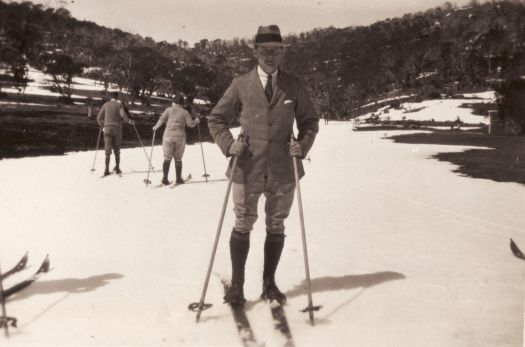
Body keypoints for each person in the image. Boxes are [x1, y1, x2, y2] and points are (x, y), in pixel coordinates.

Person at [208, 25, 319, 306]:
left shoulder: (293, 84)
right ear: (255, 52)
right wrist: (228, 144)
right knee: (243, 222)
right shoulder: (240, 83)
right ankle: (237, 286)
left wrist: (302, 146)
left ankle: (269, 284)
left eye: (276, 51)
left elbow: (309, 122)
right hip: (247, 166)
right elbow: (216, 119)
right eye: (265, 51)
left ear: (282, 53)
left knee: (276, 225)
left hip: (284, 168)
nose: (271, 56)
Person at [153, 94, 200, 185]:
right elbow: (190, 124)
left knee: (167, 157)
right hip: (180, 137)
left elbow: (161, 120)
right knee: (178, 158)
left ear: (174, 102)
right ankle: (178, 179)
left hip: (168, 136)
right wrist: (196, 121)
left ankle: (165, 179)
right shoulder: (185, 112)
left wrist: (155, 127)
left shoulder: (168, 110)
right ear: (182, 103)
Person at [97, 91, 134, 176]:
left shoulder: (105, 105)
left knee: (107, 150)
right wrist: (130, 121)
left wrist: (102, 123)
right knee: (117, 150)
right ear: (117, 98)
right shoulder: (119, 105)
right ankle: (117, 169)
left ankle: (106, 170)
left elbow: (99, 117)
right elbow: (123, 115)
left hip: (107, 128)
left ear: (110, 97)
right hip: (117, 129)